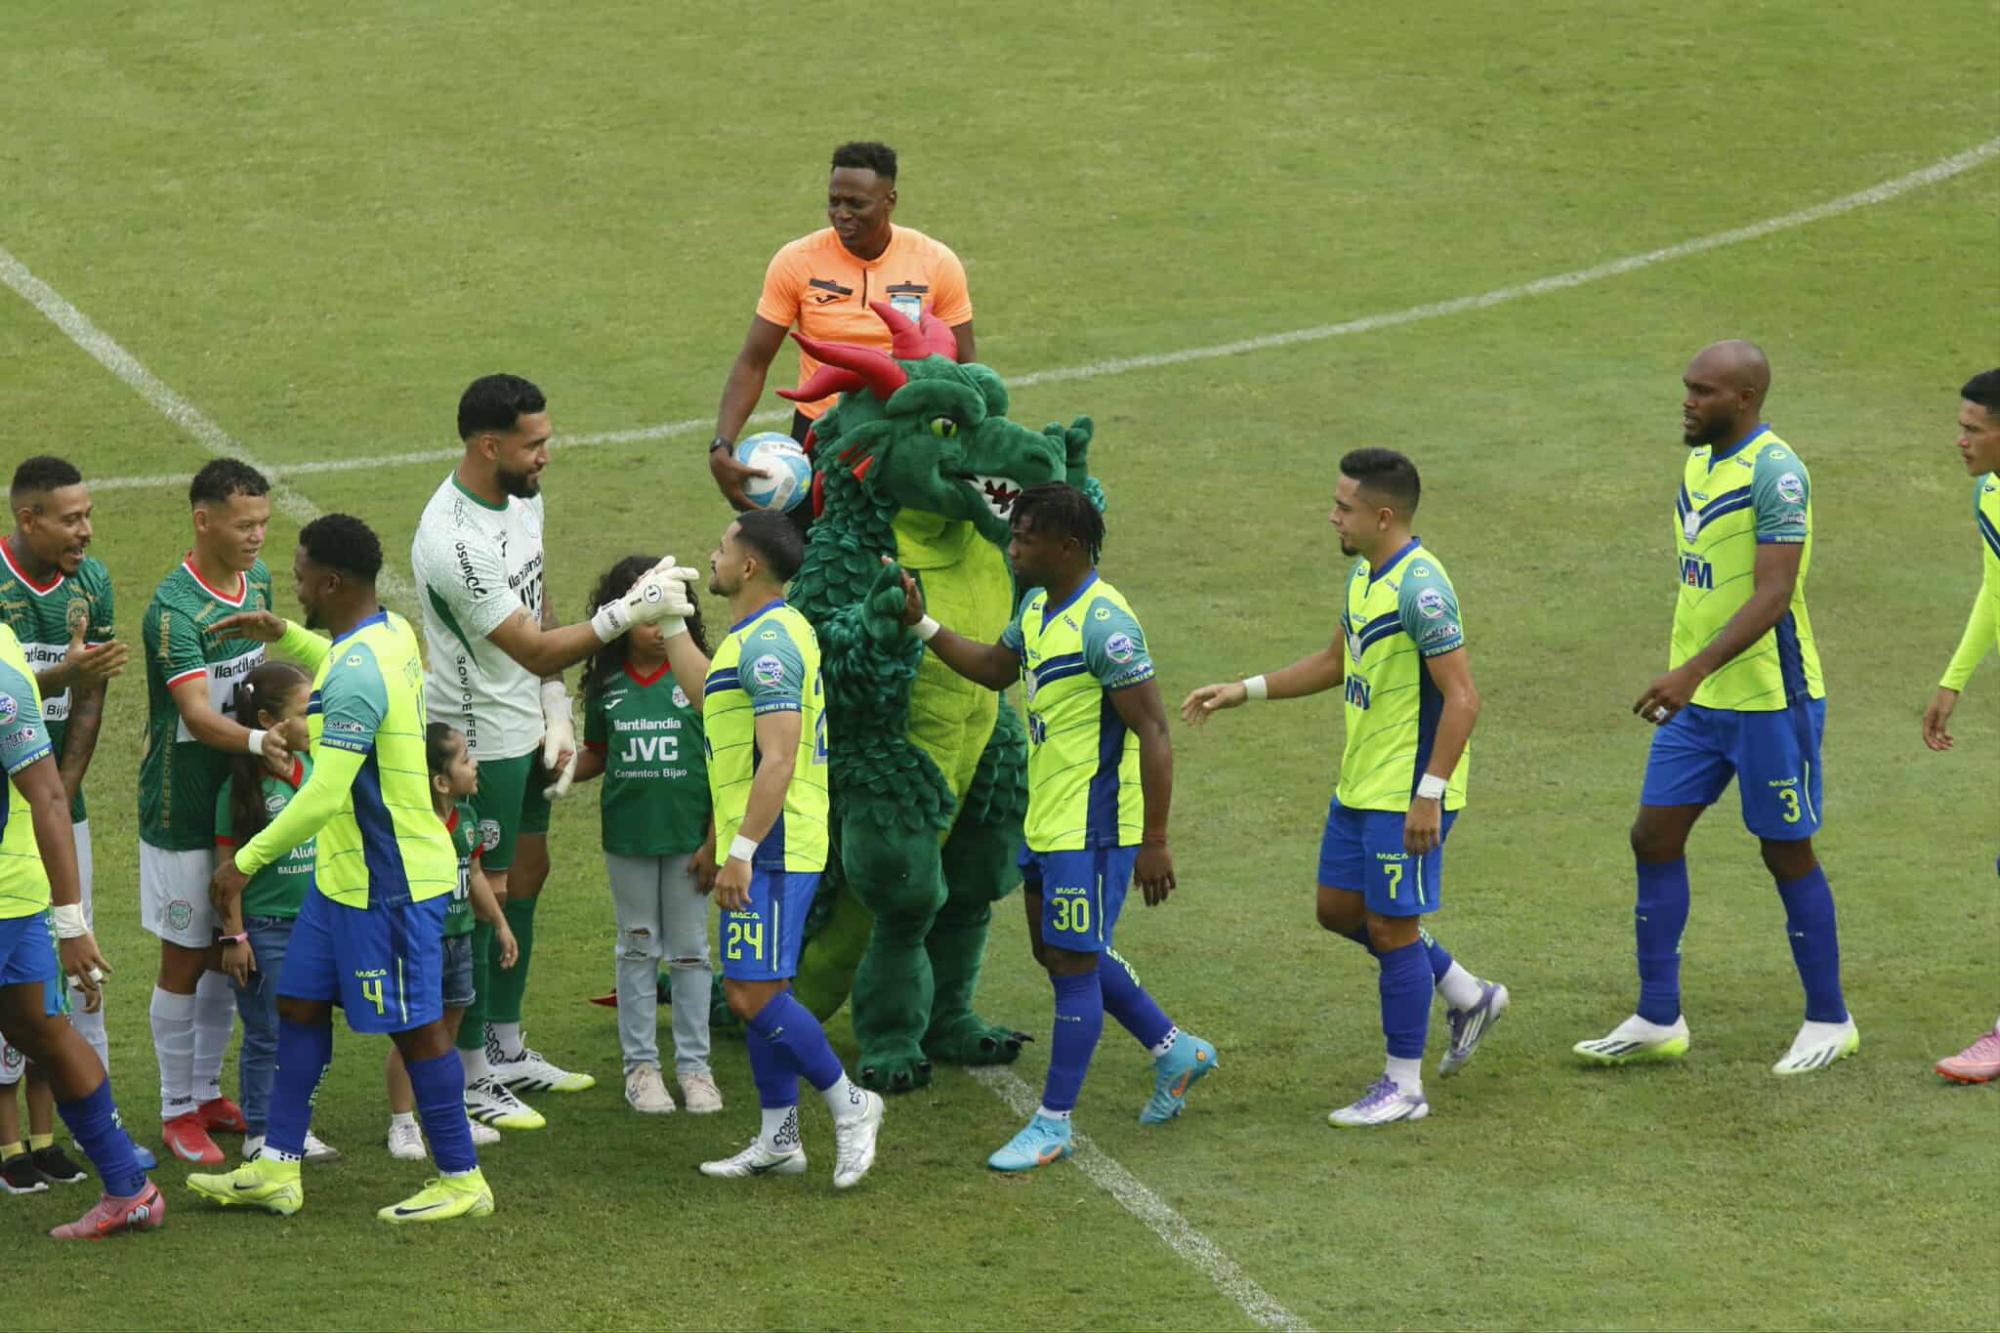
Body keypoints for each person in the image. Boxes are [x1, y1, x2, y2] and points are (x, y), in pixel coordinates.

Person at [895, 482, 1216, 1170]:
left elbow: (1156, 731)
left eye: (1024, 538)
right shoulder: (1040, 608)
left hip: (1096, 827)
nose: (1012, 548)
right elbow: (992, 668)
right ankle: (1175, 1049)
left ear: (1067, 546)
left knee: (1072, 963)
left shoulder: (1106, 625)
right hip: (1048, 817)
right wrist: (922, 625)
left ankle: (1053, 1122)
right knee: (1059, 950)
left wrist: (1155, 839)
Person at [1183, 449, 1506, 1126]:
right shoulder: (1367, 575)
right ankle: (1465, 991)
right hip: (1360, 782)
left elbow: (1465, 698)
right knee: (1339, 910)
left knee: (1392, 925)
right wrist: (1244, 690)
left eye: (1344, 507)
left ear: (1382, 515)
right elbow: (1336, 661)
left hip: (1405, 791)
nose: (1332, 516)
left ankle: (1404, 1085)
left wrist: (1430, 793)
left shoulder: (1421, 590)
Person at [187, 514, 492, 1223]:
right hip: (340, 882)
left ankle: (461, 1176)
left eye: (298, 577)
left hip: (387, 884)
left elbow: (323, 791)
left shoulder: (354, 674)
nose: (293, 584)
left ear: (331, 580)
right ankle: (277, 1167)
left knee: (415, 1027)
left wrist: (244, 865)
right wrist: (284, 634)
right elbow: (337, 656)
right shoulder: (389, 633)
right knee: (296, 1004)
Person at [412, 374, 693, 1124]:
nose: (547, 455)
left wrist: (556, 706)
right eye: (534, 443)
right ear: (488, 444)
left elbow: (538, 601)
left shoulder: (522, 498)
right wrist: (625, 613)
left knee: (528, 870)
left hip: (525, 723)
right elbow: (533, 644)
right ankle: (470, 1072)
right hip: (481, 739)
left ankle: (504, 1043)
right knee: (486, 894)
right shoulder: (454, 540)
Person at [1574, 340, 1857, 1075]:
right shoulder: (1700, 460)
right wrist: (1691, 675)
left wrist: (1691, 671)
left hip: (1768, 699)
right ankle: (1658, 1016)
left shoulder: (1777, 473)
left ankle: (1831, 1018)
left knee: (1784, 848)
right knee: (1653, 837)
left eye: (1703, 391)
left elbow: (1773, 594)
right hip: (1700, 701)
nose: (1688, 400)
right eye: (1687, 387)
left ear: (1747, 397)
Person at [653, 511, 884, 1186]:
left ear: (749, 565)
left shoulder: (772, 642)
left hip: (776, 845)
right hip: (761, 841)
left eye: (722, 547)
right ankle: (779, 1138)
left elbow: (778, 756)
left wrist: (742, 849)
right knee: (767, 986)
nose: (713, 555)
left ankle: (851, 1105)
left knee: (753, 994)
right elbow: (709, 696)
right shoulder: (754, 636)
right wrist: (672, 623)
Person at [140, 458, 289, 1165]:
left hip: (244, 803)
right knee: (186, 956)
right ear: (204, 521)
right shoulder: (172, 611)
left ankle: (205, 1090)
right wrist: (268, 740)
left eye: (263, 522)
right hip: (183, 810)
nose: (258, 536)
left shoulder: (254, 583)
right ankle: (175, 1110)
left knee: (236, 947)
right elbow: (199, 715)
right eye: (243, 523)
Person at [708, 141, 975, 516]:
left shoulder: (935, 263)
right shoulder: (797, 261)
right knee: (810, 559)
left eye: (856, 204)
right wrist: (721, 444)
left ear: (889, 200)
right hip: (821, 435)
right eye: (834, 201)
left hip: (900, 437)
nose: (841, 214)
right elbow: (754, 361)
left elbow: (964, 369)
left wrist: (965, 447)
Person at [0, 618, 161, 1239]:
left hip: (11, 897)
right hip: (19, 890)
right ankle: (128, 1187)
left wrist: (72, 924)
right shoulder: (10, 648)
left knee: (43, 1033)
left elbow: (49, 800)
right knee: (41, 1030)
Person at [576, 556, 721, 1116]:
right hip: (628, 843)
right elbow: (597, 755)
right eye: (646, 620)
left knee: (689, 954)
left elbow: (725, 767)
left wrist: (714, 839)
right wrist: (553, 766)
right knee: (637, 948)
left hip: (691, 843)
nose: (658, 632)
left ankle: (695, 1069)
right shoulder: (606, 687)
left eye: (668, 619)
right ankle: (641, 1068)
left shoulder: (701, 680)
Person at [3, 457, 129, 1082]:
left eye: (89, 516)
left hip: (56, 806)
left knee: (83, 963)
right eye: (72, 519)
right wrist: (61, 673)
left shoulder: (92, 583)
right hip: (5, 813)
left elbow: (90, 704)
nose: (87, 531)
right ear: (30, 519)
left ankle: (89, 1122)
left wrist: (58, 799)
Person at [212, 660, 336, 1162]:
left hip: (311, 927)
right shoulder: (239, 792)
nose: (316, 721)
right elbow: (226, 873)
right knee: (267, 1032)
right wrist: (235, 938)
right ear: (268, 721)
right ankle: (261, 1132)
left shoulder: (312, 773)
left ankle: (291, 1126)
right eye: (307, 711)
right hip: (265, 932)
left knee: (303, 1030)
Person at [386, 724, 519, 1158]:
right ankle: (403, 1122)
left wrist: (499, 923)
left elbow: (475, 875)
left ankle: (447, 1110)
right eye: (465, 759)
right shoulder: (412, 826)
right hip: (421, 943)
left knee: (449, 1029)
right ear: (441, 781)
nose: (475, 764)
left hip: (460, 940)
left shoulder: (469, 820)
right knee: (414, 1035)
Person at [1923, 368, 2000, 1084]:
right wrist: (1955, 677)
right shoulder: (1992, 496)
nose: (1960, 440)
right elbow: (1994, 586)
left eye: (1974, 429)